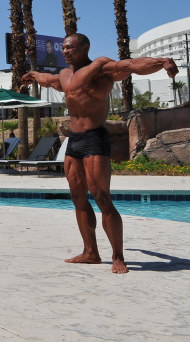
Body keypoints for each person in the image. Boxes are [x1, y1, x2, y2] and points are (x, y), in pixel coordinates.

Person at [21, 33, 178, 274]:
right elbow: (48, 81)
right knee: (78, 198)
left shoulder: (100, 67)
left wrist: (162, 61)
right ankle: (90, 252)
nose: (65, 51)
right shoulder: (64, 75)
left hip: (94, 138)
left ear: (85, 47)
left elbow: (131, 65)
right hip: (74, 141)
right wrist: (32, 75)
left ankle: (118, 256)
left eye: (70, 47)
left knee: (102, 198)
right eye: (64, 48)